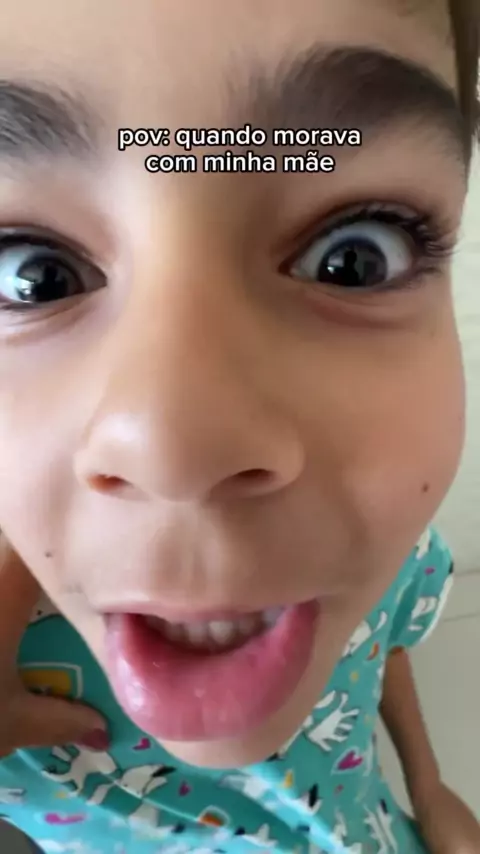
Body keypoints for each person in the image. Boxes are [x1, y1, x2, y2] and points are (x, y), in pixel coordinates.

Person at [0, 0, 479, 851]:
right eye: (34, 275)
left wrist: (429, 783)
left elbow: (384, 645)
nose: (178, 452)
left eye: (355, 258)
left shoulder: (378, 543)